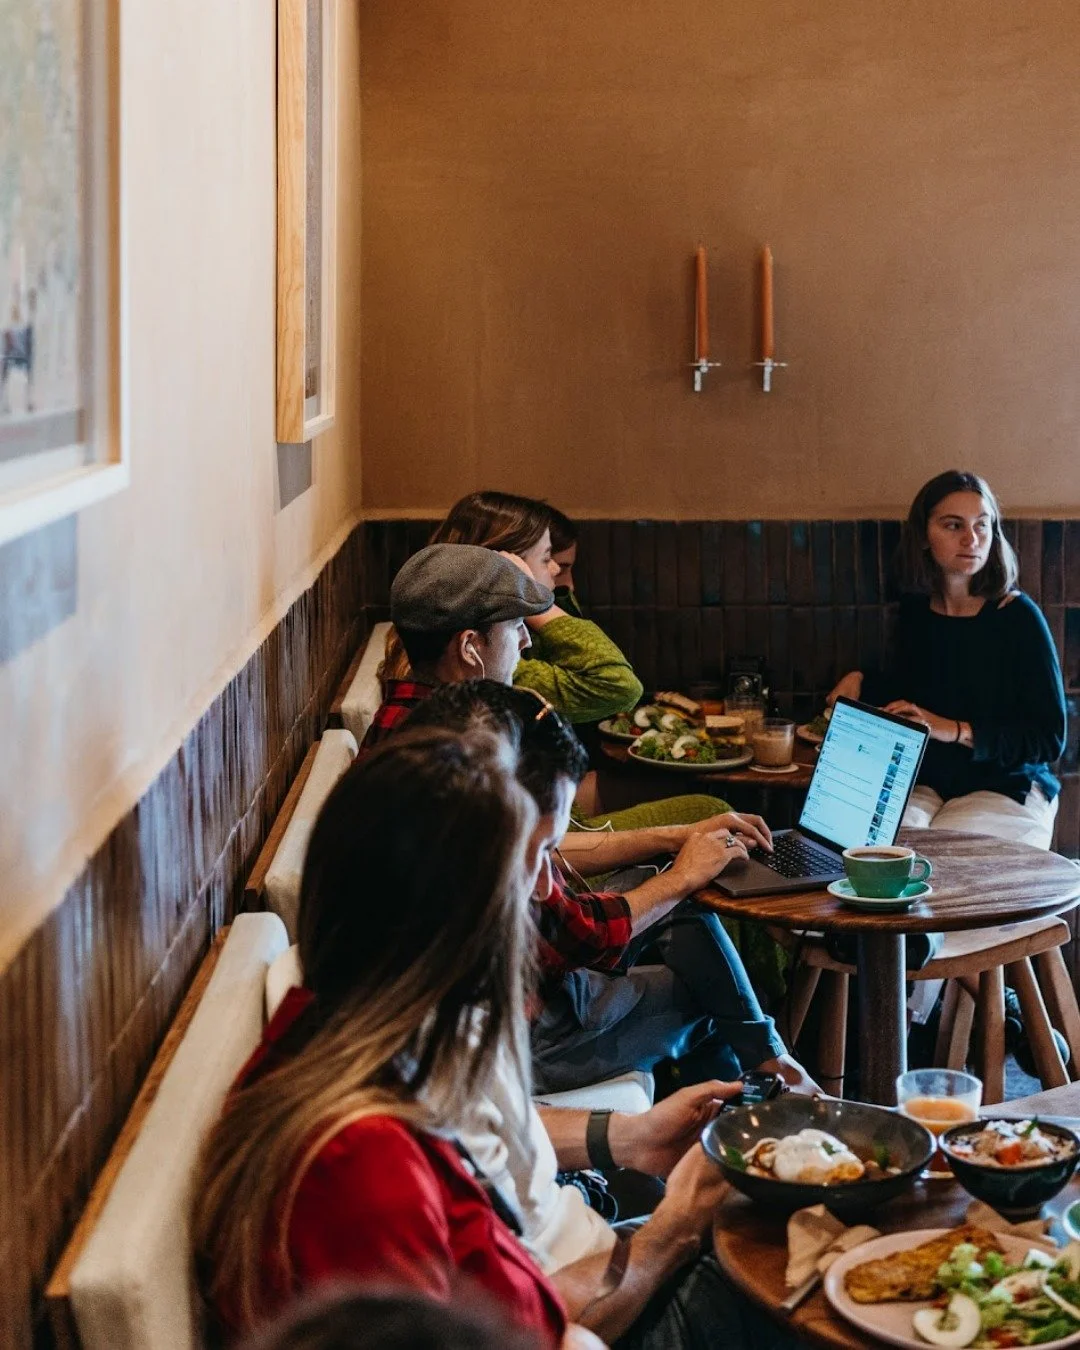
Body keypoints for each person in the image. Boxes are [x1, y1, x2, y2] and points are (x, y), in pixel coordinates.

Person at [194, 729, 797, 1350]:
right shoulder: (364, 1177)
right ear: (455, 922)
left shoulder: (348, 1025)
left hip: (580, 1276)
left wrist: (631, 1137)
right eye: (533, 869)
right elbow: (535, 1330)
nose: (545, 893)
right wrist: (676, 1227)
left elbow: (480, 1129)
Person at [405, 682, 816, 1096]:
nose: (525, 641)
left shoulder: (441, 782)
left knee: (666, 899)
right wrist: (681, 877)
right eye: (516, 631)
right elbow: (583, 933)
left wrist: (674, 839)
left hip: (532, 997)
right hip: (529, 1041)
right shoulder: (476, 845)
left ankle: (761, 1072)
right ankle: (753, 1095)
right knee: (718, 999)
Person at [828, 470, 1066, 848]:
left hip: (1005, 782)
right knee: (866, 851)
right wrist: (861, 680)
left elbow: (1049, 738)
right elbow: (917, 690)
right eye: (953, 525)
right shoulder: (916, 611)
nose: (971, 539)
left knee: (946, 870)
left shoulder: (1018, 617)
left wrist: (953, 729)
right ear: (923, 536)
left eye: (982, 526)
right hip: (929, 779)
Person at [383, 491, 643, 725]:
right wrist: (517, 588)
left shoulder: (454, 664)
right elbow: (618, 685)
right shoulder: (489, 670)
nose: (553, 569)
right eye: (545, 558)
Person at [359, 542, 553, 756]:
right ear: (469, 647)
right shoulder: (453, 749)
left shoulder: (411, 710)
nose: (526, 640)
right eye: (516, 627)